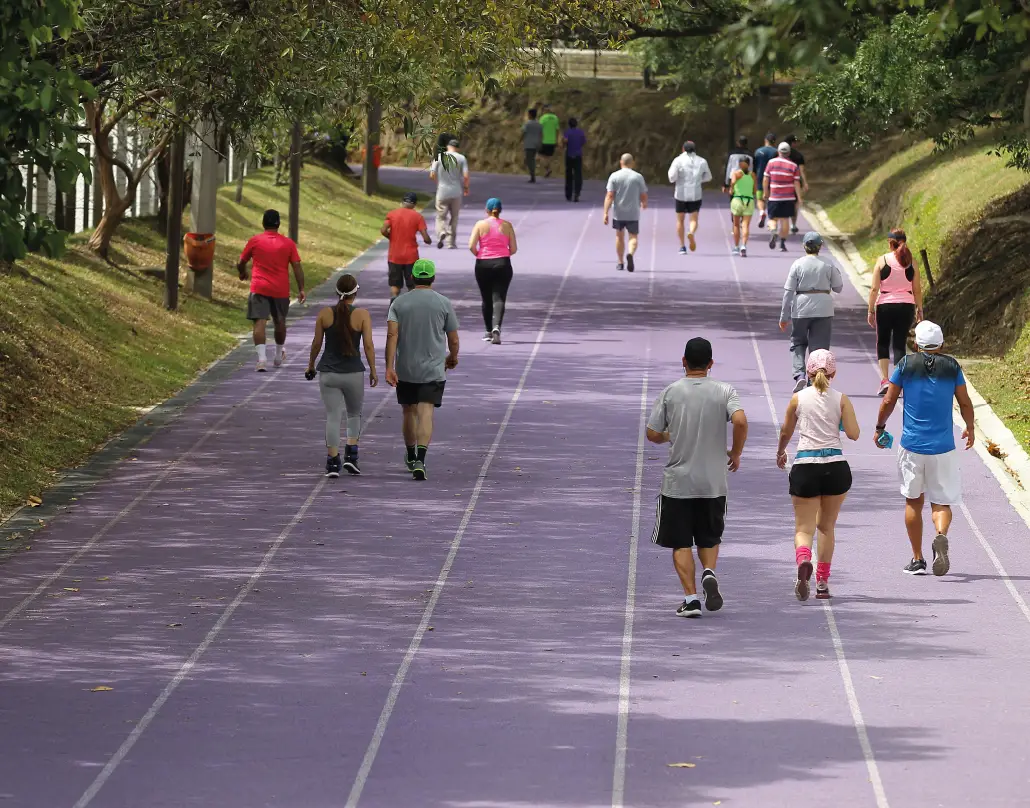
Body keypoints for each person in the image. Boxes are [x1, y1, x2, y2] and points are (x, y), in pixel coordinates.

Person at [646, 337, 748, 618]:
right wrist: (736, 452)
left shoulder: (671, 392)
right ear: (711, 364)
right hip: (713, 481)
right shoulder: (725, 391)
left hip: (679, 482)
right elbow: (739, 420)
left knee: (680, 542)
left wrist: (671, 434)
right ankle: (709, 572)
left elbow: (652, 433)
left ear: (683, 362)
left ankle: (691, 599)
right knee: (709, 537)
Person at [875, 321, 975, 577]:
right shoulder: (952, 366)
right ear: (941, 344)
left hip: (912, 446)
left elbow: (888, 399)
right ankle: (940, 535)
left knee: (913, 501)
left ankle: (917, 559)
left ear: (917, 344)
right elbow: (964, 402)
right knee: (941, 502)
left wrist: (880, 426)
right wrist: (970, 427)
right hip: (943, 448)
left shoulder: (906, 365)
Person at [776, 350, 860, 600]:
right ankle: (822, 583)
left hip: (806, 466)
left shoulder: (797, 399)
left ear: (809, 373)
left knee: (804, 528)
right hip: (836, 467)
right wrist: (841, 422)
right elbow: (854, 434)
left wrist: (781, 452)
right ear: (833, 373)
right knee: (826, 527)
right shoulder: (842, 399)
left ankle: (804, 558)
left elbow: (786, 432)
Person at [386, 259, 459, 481]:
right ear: (433, 278)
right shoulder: (443, 303)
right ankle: (421, 459)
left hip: (406, 368)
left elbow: (392, 336)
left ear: (413, 278)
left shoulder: (398, 303)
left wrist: (389, 367)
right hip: (433, 369)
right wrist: (452, 357)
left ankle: (409, 454)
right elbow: (453, 339)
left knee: (408, 411)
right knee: (426, 411)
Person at [305, 274, 377, 477]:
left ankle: (332, 462)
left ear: (337, 292)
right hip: (353, 372)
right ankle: (352, 456)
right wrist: (373, 369)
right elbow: (368, 346)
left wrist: (310, 365)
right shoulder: (362, 315)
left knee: (333, 416)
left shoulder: (325, 314)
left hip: (328, 373)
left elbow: (317, 344)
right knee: (354, 414)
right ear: (355, 292)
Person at [238, 209, 306, 372]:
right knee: (280, 322)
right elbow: (296, 266)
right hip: (280, 289)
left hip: (259, 287)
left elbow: (241, 261)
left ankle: (261, 360)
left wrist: (242, 272)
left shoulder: (255, 241)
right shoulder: (288, 243)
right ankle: (277, 355)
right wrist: (301, 288)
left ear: (263, 223)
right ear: (278, 224)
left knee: (259, 322)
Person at [779, 232, 844, 393]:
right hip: (824, 307)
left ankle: (799, 374)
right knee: (820, 347)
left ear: (804, 246)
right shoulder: (828, 263)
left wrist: (784, 316)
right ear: (820, 246)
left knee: (797, 342)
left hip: (801, 307)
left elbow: (788, 292)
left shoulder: (797, 264)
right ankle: (814, 378)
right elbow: (839, 287)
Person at [868, 229, 923, 396]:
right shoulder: (912, 262)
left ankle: (885, 380)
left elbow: (874, 288)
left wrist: (871, 310)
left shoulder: (882, 260)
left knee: (882, 342)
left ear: (890, 243)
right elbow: (917, 289)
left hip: (885, 305)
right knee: (899, 344)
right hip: (906, 306)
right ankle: (899, 381)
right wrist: (920, 309)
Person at [469, 198, 517, 345]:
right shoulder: (507, 226)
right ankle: (497, 327)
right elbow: (514, 249)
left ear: (487, 210)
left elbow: (471, 245)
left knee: (486, 298)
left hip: (483, 264)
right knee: (499, 297)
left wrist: (481, 255)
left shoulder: (480, 224)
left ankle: (488, 331)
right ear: (500, 210)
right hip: (503, 263)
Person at [381, 192, 430, 307]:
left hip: (394, 255)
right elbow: (426, 237)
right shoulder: (418, 217)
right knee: (412, 285)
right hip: (411, 256)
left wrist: (391, 237)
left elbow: (383, 230)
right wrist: (428, 241)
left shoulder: (392, 214)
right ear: (414, 204)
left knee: (395, 284)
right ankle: (411, 307)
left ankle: (394, 303)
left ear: (402, 202)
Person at [603, 153, 649, 272]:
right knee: (633, 236)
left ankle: (620, 262)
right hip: (633, 212)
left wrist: (605, 212)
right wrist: (644, 203)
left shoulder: (614, 176)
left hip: (619, 212)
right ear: (632, 163)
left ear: (621, 162)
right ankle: (630, 253)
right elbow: (643, 194)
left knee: (619, 236)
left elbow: (609, 195)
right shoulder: (638, 177)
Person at [667, 140, 712, 255]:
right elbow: (708, 177)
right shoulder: (702, 161)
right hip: (695, 193)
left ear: (683, 149)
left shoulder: (678, 160)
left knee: (680, 220)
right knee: (694, 219)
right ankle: (691, 232)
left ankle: (682, 246)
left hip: (681, 193)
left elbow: (671, 177)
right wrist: (698, 180)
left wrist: (678, 179)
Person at [429, 139, 469, 249]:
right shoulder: (462, 158)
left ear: (448, 146)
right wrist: (466, 188)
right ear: (458, 148)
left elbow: (432, 174)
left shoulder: (439, 157)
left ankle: (442, 231)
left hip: (442, 191)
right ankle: (451, 242)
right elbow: (465, 176)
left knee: (441, 216)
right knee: (454, 217)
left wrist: (438, 182)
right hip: (456, 192)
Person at [763, 142, 803, 252]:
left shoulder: (771, 163)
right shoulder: (794, 166)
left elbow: (766, 179)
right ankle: (782, 244)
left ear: (778, 152)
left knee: (772, 219)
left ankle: (773, 230)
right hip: (788, 198)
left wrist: (766, 192)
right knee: (785, 220)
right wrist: (799, 197)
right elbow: (796, 183)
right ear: (789, 153)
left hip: (774, 197)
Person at [728, 155, 756, 257]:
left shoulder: (736, 174)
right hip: (749, 201)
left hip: (737, 200)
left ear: (739, 164)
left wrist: (732, 187)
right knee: (745, 225)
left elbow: (733, 185)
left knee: (736, 225)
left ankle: (736, 247)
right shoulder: (753, 175)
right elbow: (754, 190)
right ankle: (744, 245)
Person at [752, 132, 779, 229]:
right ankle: (771, 219)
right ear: (774, 142)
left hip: (760, 177)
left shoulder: (758, 151)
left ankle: (762, 212)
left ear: (765, 141)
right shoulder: (776, 152)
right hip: (773, 178)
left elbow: (754, 167)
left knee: (760, 198)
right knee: (772, 199)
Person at [784, 134, 809, 234]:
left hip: (782, 182)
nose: (796, 144)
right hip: (795, 182)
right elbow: (802, 170)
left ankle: (780, 223)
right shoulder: (798, 155)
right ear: (792, 143)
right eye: (795, 142)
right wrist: (805, 182)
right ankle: (793, 224)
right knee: (795, 204)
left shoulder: (779, 154)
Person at [562, 117, 587, 202]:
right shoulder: (580, 132)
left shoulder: (567, 132)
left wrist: (564, 144)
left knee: (569, 174)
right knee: (578, 174)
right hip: (578, 155)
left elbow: (565, 141)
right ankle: (577, 193)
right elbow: (584, 141)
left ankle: (568, 194)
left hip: (569, 155)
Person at [521, 109, 543, 183]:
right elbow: (541, 134)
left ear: (530, 115)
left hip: (529, 144)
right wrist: (540, 143)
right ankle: (533, 174)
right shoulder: (539, 124)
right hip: (537, 144)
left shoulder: (527, 124)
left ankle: (533, 176)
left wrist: (520, 139)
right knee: (532, 159)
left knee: (530, 160)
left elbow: (523, 133)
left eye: (528, 114)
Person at [538, 105, 560, 178]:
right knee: (549, 156)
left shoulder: (543, 118)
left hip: (544, 140)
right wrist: (556, 140)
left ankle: (548, 168)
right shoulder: (555, 118)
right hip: (552, 141)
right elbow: (557, 130)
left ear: (545, 110)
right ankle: (548, 169)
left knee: (540, 155)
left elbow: (540, 130)